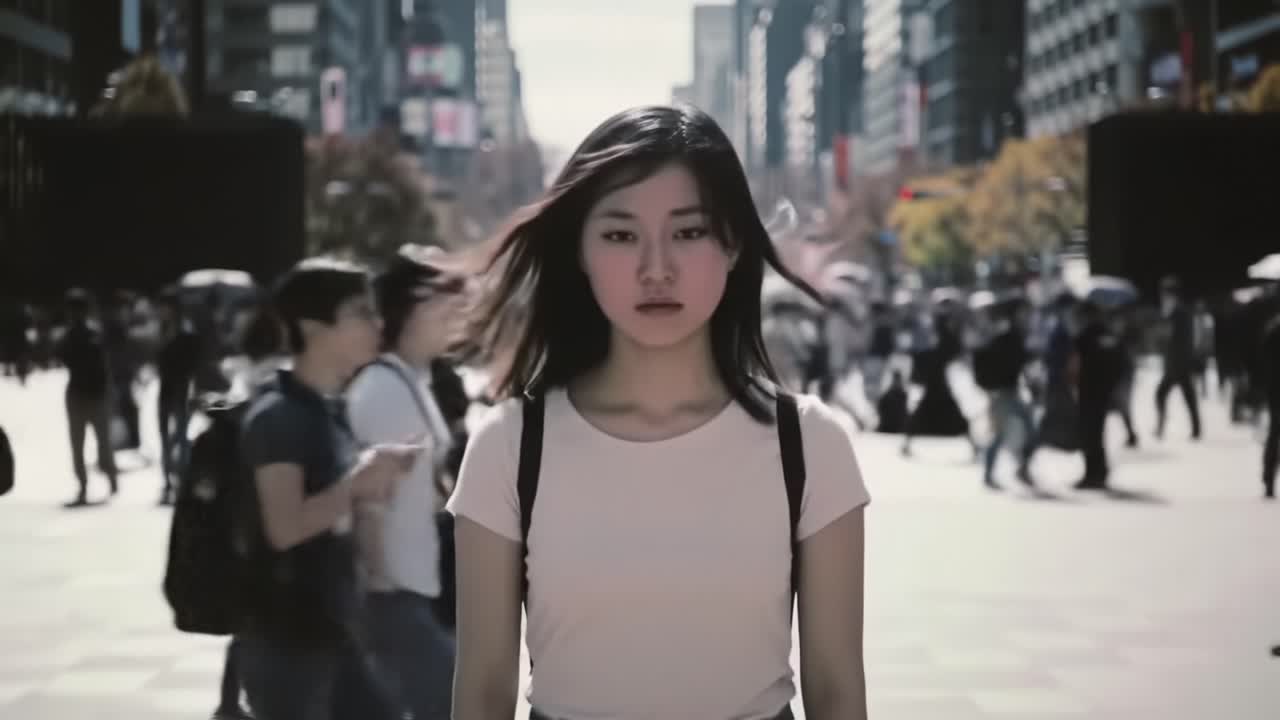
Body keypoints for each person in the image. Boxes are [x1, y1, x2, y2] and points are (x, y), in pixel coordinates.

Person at [448, 105, 870, 720]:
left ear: (731, 245)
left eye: (688, 232)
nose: (656, 269)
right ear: (580, 254)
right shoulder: (509, 447)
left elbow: (836, 688)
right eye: (620, 235)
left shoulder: (808, 444)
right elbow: (483, 689)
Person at [233, 258, 417, 720]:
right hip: (287, 641)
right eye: (359, 312)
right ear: (312, 328)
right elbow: (285, 527)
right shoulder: (278, 418)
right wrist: (357, 483)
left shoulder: (327, 411)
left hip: (334, 630)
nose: (377, 324)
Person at [343, 246, 466, 720]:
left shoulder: (413, 379)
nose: (460, 315)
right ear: (414, 307)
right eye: (449, 302)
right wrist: (382, 593)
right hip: (393, 591)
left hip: (414, 585)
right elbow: (369, 502)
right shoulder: (384, 389)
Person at [57, 289, 118, 506]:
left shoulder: (86, 335)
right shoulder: (84, 335)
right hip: (86, 394)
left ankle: (102, 479)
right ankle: (96, 481)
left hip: (88, 394)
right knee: (93, 443)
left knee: (90, 443)